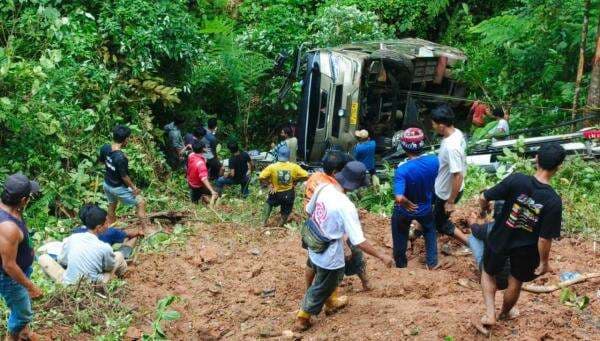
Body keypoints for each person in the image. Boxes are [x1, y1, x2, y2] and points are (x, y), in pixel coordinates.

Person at [473, 143, 565, 335]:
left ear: (536, 160)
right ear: (559, 167)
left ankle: (490, 313)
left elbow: (485, 196)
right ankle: (505, 313)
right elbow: (544, 238)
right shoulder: (553, 201)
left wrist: (483, 208)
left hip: (501, 237)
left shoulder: (517, 180)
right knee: (516, 281)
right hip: (527, 247)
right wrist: (544, 262)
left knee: (488, 273)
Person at [294, 161, 394, 332]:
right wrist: (382, 256)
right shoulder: (346, 206)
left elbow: (309, 210)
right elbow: (358, 241)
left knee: (316, 268)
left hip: (314, 241)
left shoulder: (323, 187)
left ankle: (331, 302)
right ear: (356, 185)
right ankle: (302, 318)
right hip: (329, 253)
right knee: (323, 284)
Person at [303, 152, 371, 292]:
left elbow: (309, 208)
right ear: (335, 172)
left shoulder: (315, 177)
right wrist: (345, 241)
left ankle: (308, 289)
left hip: (313, 226)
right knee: (356, 253)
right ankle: (365, 283)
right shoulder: (332, 186)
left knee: (312, 260)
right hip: (329, 230)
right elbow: (335, 217)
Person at [38, 205, 128, 285]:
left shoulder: (72, 238)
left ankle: (56, 285)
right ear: (99, 228)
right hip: (94, 284)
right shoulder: (104, 247)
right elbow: (109, 267)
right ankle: (124, 276)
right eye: (106, 223)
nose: (108, 225)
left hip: (69, 283)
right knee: (119, 255)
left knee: (43, 258)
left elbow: (62, 260)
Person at [0, 173, 43, 341]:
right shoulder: (8, 228)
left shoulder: (13, 210)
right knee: (23, 313)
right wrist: (31, 286)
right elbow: (9, 265)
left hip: (21, 270)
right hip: (11, 278)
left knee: (20, 306)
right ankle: (11, 338)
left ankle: (25, 334)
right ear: (23, 200)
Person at [391, 128, 439, 269]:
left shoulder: (402, 169)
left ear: (404, 146)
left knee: (400, 234)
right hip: (425, 207)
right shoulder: (434, 161)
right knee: (430, 230)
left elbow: (399, 197)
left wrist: (406, 202)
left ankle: (401, 266)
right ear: (422, 144)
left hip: (405, 210)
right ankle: (432, 263)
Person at [430, 105, 470, 246]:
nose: (433, 126)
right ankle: (419, 230)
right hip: (441, 187)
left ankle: (470, 243)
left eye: (434, 124)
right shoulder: (456, 133)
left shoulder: (452, 147)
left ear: (441, 125)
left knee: (441, 223)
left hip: (446, 193)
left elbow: (457, 175)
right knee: (431, 210)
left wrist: (451, 201)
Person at [99, 125, 149, 232]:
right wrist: (134, 188)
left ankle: (111, 228)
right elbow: (124, 177)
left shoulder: (105, 148)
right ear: (126, 139)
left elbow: (102, 162)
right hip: (117, 187)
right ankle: (146, 229)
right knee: (141, 202)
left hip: (107, 184)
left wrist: (111, 169)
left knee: (112, 205)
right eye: (129, 138)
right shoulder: (121, 157)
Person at [258, 145, 308, 226]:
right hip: (288, 193)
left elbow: (261, 176)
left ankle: (263, 222)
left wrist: (269, 184)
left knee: (269, 203)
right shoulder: (294, 167)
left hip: (275, 192)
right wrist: (296, 181)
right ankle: (280, 225)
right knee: (286, 210)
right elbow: (306, 176)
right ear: (288, 156)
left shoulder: (272, 167)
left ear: (278, 155)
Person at [187, 140, 218, 205]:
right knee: (196, 200)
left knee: (194, 195)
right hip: (197, 185)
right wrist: (212, 191)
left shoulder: (191, 155)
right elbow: (204, 179)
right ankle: (197, 203)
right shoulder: (200, 164)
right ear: (203, 149)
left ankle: (195, 200)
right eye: (205, 147)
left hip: (190, 180)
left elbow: (194, 151)